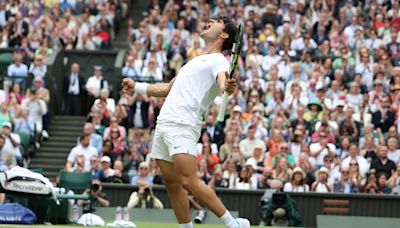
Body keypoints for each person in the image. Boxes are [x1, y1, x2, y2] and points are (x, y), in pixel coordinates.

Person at [121, 16, 250, 228]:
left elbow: (222, 79)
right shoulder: (194, 61)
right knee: (172, 185)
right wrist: (136, 86)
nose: (209, 20)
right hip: (163, 124)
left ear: (224, 34)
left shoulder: (219, 61)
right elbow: (166, 88)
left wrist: (226, 85)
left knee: (188, 181)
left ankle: (232, 224)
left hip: (183, 123)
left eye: (216, 21)